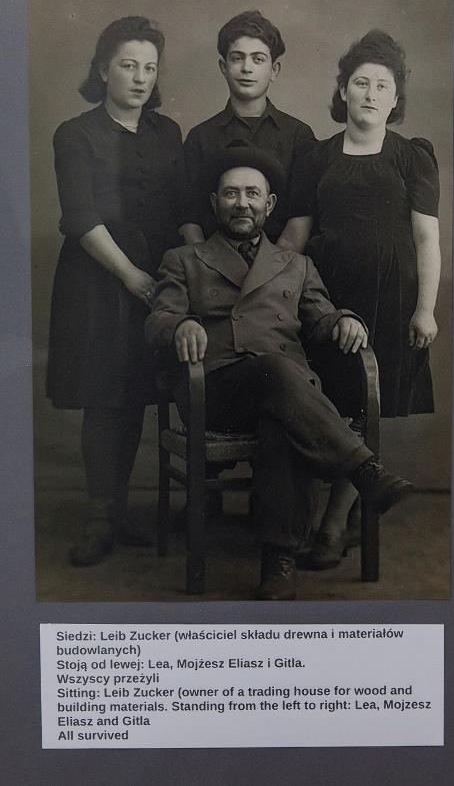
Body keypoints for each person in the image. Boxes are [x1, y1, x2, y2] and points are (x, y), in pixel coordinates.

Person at [145, 142, 413, 600]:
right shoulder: (184, 259)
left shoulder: (297, 265)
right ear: (214, 203)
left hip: (285, 396)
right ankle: (363, 470)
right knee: (275, 369)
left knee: (281, 422)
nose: (242, 203)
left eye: (252, 194)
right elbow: (158, 318)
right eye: (231, 193)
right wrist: (181, 324)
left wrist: (345, 320)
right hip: (217, 390)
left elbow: (322, 317)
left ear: (269, 205)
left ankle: (278, 563)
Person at [279, 30, 441, 568]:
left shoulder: (412, 157)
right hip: (324, 299)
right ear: (343, 90)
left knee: (363, 409)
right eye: (361, 83)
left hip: (389, 301)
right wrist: (262, 285)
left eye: (382, 86)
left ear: (395, 99)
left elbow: (426, 238)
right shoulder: (316, 157)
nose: (371, 94)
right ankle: (317, 518)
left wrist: (425, 309)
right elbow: (295, 235)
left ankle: (332, 526)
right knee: (322, 403)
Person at [46, 15, 188, 566]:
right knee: (104, 400)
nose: (140, 78)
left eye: (149, 68)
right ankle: (100, 518)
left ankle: (121, 510)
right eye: (129, 66)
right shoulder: (75, 134)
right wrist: (130, 274)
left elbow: (178, 210)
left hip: (156, 280)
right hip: (98, 280)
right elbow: (80, 217)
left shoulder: (167, 133)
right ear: (104, 70)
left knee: (133, 396)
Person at [181, 10, 315, 243]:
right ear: (223, 67)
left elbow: (300, 219)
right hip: (211, 262)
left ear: (274, 70)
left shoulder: (298, 136)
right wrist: (206, 264)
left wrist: (273, 266)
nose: (247, 68)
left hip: (280, 261)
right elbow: (190, 219)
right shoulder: (200, 137)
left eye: (258, 59)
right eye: (237, 58)